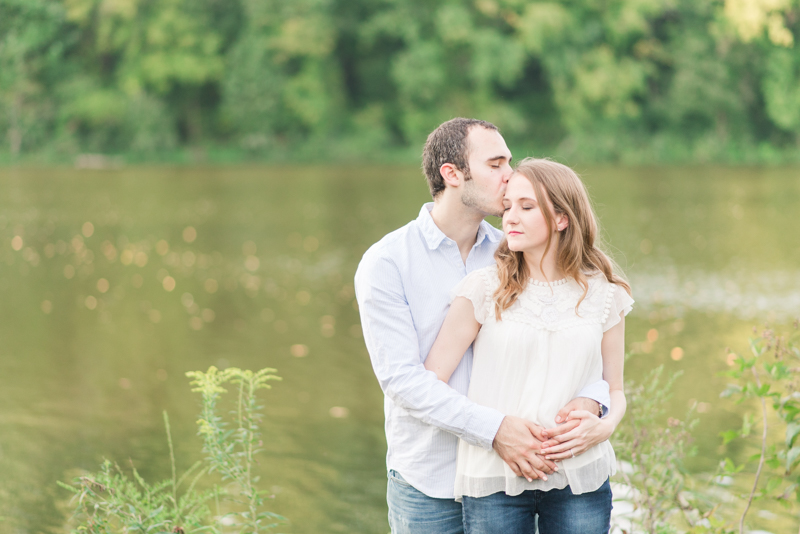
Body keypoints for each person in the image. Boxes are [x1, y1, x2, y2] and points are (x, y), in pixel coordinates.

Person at [354, 118, 618, 534]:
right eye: (496, 164)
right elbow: (403, 381)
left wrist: (591, 400)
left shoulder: (514, 251)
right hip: (431, 480)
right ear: (453, 174)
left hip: (510, 478)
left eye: (509, 162)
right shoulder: (388, 262)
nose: (510, 175)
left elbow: (569, 346)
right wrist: (495, 431)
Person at [423, 158, 633, 533]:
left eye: (526, 207)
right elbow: (432, 380)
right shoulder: (484, 289)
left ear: (561, 218)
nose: (510, 219)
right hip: (494, 476)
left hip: (579, 476)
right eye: (507, 207)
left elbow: (614, 387)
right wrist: (491, 431)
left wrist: (606, 426)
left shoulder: (605, 294)